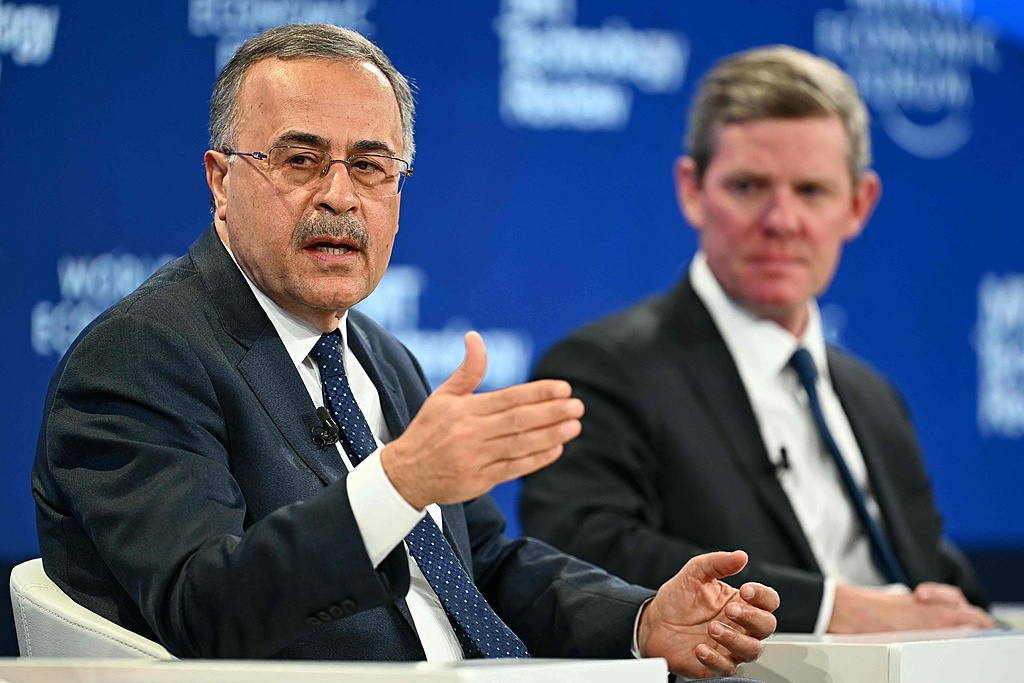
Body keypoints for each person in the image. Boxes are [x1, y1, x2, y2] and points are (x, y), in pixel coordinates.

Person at [31, 23, 778, 679]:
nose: (339, 196)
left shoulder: (378, 356)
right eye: (300, 160)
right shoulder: (140, 356)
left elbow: (481, 567)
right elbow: (205, 608)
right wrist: (397, 483)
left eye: (370, 165)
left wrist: (641, 621)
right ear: (221, 182)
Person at [519, 45, 994, 634]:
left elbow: (938, 583)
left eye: (812, 191)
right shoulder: (603, 370)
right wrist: (832, 610)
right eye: (748, 187)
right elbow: (584, 560)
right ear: (693, 190)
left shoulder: (875, 400)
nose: (781, 221)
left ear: (858, 205)